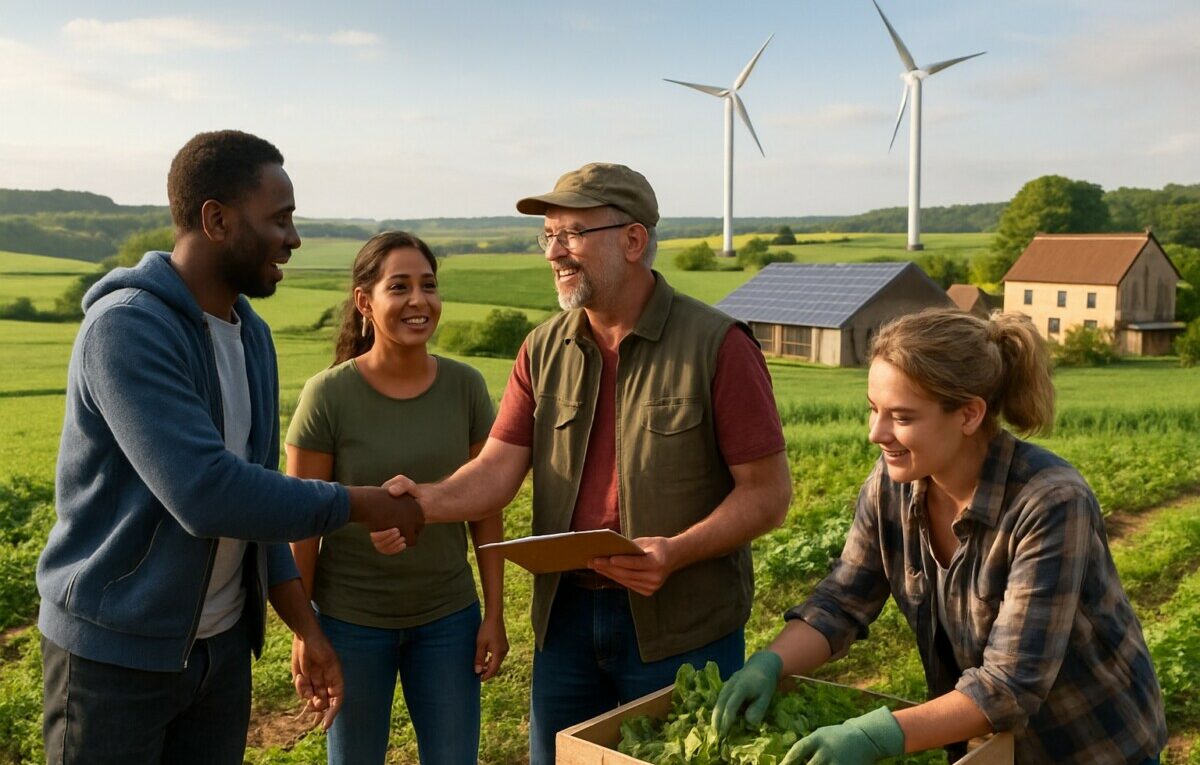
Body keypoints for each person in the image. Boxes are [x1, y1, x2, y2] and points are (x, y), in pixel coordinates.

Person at [376, 162, 793, 764]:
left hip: (679, 624)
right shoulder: (543, 347)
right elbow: (498, 467)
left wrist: (675, 552)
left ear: (632, 240)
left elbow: (768, 495)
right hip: (565, 621)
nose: (554, 252)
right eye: (548, 235)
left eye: (571, 234)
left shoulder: (718, 345)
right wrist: (426, 502)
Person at [35, 130, 425, 765]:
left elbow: (256, 499)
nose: (294, 239)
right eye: (280, 219)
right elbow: (207, 492)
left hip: (218, 655)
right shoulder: (128, 327)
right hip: (115, 656)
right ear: (215, 219)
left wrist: (305, 626)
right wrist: (363, 504)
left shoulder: (252, 337)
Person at [711, 308, 1168, 765]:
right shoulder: (894, 484)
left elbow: (1010, 684)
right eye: (874, 410)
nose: (876, 433)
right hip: (985, 744)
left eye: (902, 417)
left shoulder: (1049, 503)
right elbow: (842, 601)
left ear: (969, 414)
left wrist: (874, 735)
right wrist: (771, 662)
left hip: (1091, 743)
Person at [285, 231, 507, 765]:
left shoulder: (466, 387)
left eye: (428, 286)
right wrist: (305, 631)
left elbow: (487, 505)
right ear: (365, 301)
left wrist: (494, 613)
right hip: (350, 623)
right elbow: (302, 524)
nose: (418, 300)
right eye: (399, 286)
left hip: (448, 619)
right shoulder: (328, 395)